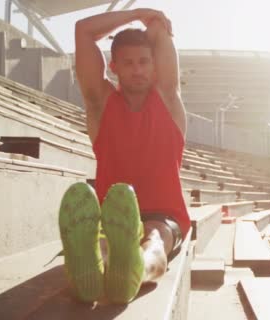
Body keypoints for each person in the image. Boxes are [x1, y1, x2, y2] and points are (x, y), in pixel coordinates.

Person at [58, 8, 189, 304]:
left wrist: (150, 21)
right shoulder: (100, 103)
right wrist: (140, 12)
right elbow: (83, 31)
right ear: (113, 66)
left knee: (154, 241)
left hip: (163, 214)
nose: (137, 69)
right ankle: (93, 272)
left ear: (155, 66)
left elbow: (159, 29)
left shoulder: (167, 98)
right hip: (111, 216)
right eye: (128, 63)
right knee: (105, 244)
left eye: (144, 62)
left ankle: (132, 273)